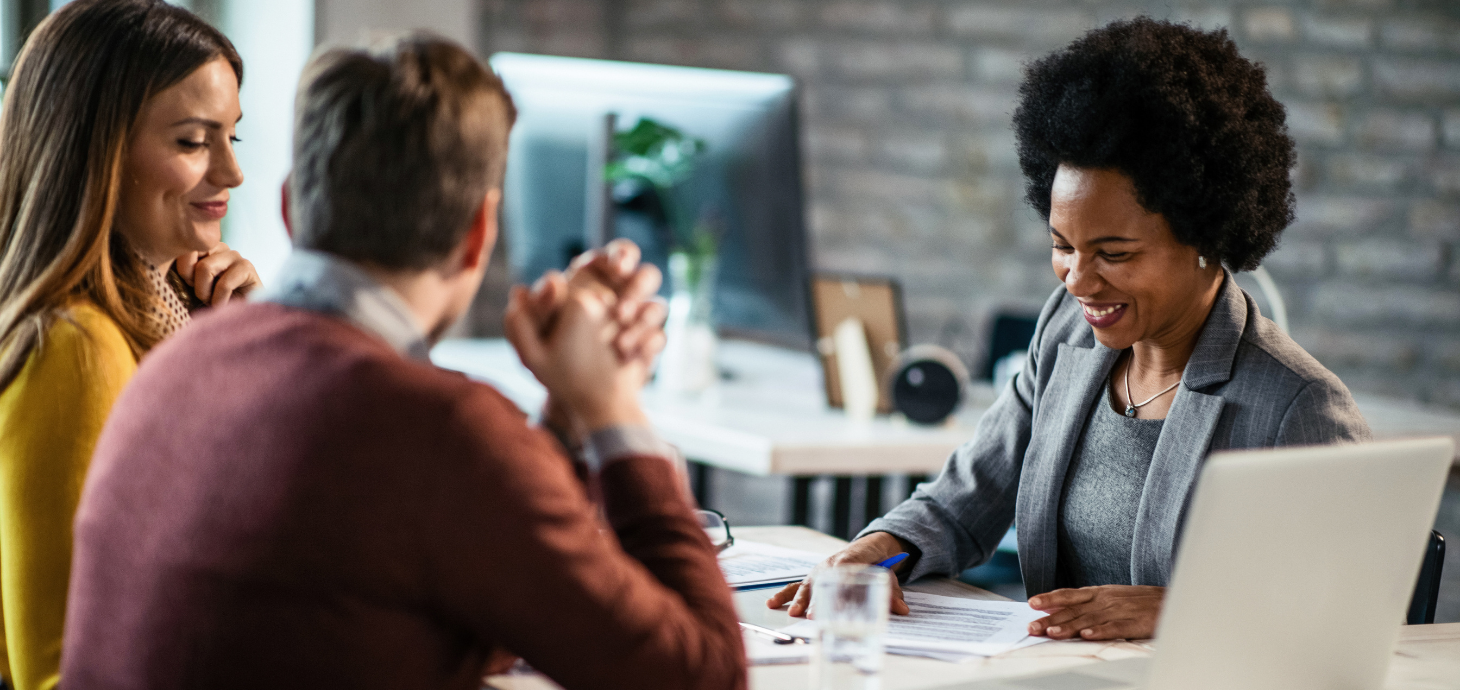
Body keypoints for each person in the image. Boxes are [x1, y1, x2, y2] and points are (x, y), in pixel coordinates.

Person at [61, 33, 745, 690]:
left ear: (292, 207)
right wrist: (615, 410)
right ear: (480, 231)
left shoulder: (178, 361)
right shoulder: (440, 428)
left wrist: (564, 418)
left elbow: (486, 593)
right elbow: (705, 676)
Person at [770, 17, 1371, 641]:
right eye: (1063, 245)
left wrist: (1183, 609)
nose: (1078, 280)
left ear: (1205, 237)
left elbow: (1351, 610)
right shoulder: (1068, 333)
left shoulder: (1298, 406)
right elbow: (966, 498)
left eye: (1113, 253)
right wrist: (878, 549)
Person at [0, 2, 260, 687]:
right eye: (193, 141)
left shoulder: (173, 314)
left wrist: (230, 349)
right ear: (96, 151)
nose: (232, 174)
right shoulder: (75, 347)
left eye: (235, 137)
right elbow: (62, 671)